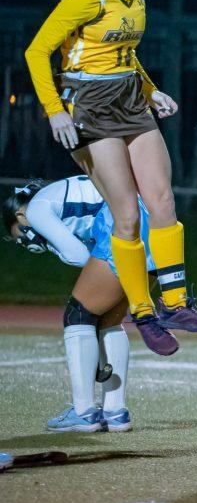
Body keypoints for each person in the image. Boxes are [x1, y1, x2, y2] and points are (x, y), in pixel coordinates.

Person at [23, 0, 197, 356]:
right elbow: (37, 52)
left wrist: (150, 91)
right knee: (126, 216)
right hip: (88, 106)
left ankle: (174, 303)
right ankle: (144, 313)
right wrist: (55, 112)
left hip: (129, 98)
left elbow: (125, 55)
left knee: (163, 200)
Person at [4, 176, 153, 431]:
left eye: (17, 235)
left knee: (78, 315)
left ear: (20, 214)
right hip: (149, 227)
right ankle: (115, 412)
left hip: (124, 228)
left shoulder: (38, 208)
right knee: (109, 321)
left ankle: (84, 412)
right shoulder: (58, 200)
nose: (23, 242)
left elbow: (79, 255)